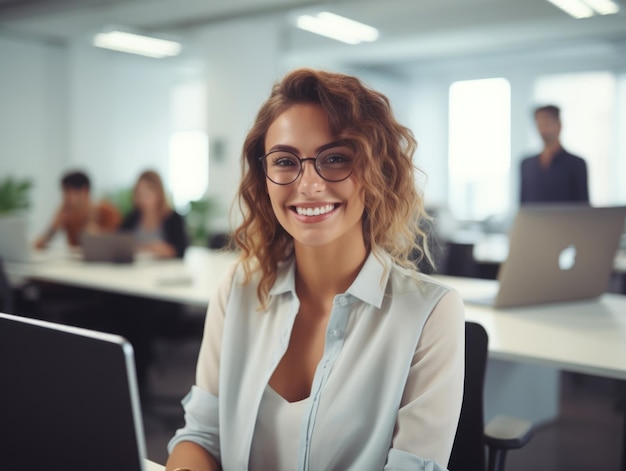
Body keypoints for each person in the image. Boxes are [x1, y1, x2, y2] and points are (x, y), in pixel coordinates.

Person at [165, 69, 465, 471]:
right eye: (286, 161)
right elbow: (202, 436)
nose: (307, 185)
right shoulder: (237, 289)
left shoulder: (430, 313)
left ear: (378, 171)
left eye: (336, 158)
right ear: (264, 176)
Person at [520, 104, 589, 204]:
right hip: (535, 220)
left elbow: (583, 207)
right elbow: (523, 206)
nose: (543, 130)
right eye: (540, 124)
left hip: (565, 219)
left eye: (547, 123)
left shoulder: (576, 164)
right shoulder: (526, 165)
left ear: (559, 125)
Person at [34, 170, 121, 249]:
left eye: (68, 192)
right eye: (64, 192)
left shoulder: (107, 211)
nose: (64, 198)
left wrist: (98, 235)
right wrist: (53, 227)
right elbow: (38, 246)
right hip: (77, 265)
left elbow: (121, 243)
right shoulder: (69, 215)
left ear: (84, 191)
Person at [119, 170, 188, 258]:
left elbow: (181, 249)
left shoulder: (173, 219)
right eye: (139, 194)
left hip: (165, 268)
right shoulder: (133, 217)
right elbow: (118, 241)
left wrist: (163, 249)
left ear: (158, 194)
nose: (142, 199)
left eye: (147, 194)